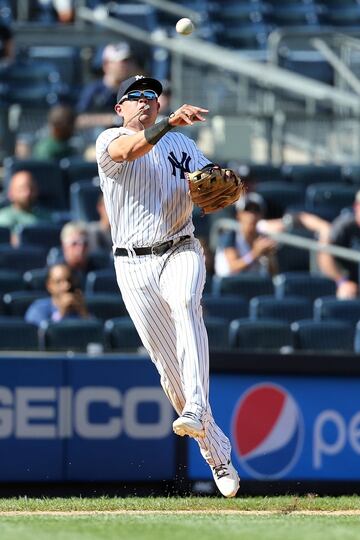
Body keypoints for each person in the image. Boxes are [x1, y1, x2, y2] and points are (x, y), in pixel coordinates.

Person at [95, 74, 240, 498]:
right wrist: (169, 124)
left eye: (152, 97)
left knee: (185, 305)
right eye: (136, 96)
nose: (146, 101)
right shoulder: (109, 139)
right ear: (121, 107)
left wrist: (221, 181)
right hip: (133, 265)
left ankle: (197, 406)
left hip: (181, 248)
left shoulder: (183, 144)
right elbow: (131, 149)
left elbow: (211, 182)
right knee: (168, 371)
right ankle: (218, 452)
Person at [76, 42, 143, 131]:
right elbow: (79, 120)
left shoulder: (137, 89)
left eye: (129, 61)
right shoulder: (94, 90)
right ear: (106, 64)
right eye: (122, 62)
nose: (127, 65)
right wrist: (112, 119)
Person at [215, 193, 278, 277]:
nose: (252, 216)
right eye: (247, 210)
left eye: (256, 211)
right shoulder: (230, 235)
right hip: (228, 286)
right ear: (239, 215)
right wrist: (255, 253)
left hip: (254, 286)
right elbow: (233, 267)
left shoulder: (263, 238)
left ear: (262, 215)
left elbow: (273, 275)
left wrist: (269, 257)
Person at [318, 191, 360, 299]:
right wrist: (341, 281)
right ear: (356, 206)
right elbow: (324, 255)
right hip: (347, 283)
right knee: (346, 294)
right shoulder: (344, 225)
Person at [0, 171, 53, 245]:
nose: (28, 193)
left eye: (31, 188)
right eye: (22, 189)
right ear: (10, 193)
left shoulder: (47, 217)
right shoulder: (3, 218)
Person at [48, 221, 109, 286]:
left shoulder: (99, 270)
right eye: (74, 244)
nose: (81, 248)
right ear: (64, 246)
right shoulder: (55, 274)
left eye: (85, 243)